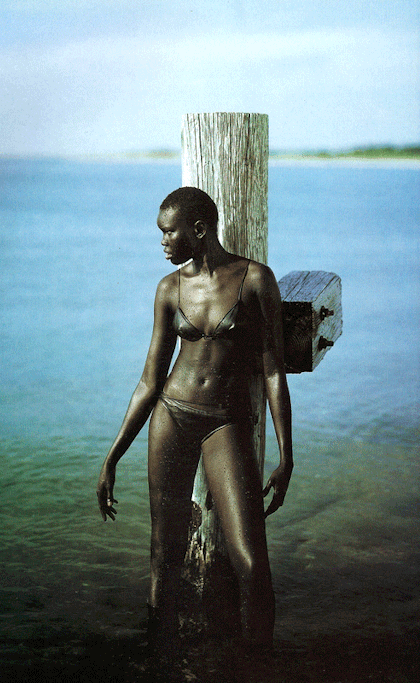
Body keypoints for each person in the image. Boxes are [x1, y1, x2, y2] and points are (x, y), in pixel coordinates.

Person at [97, 187, 293, 654]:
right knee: (163, 557)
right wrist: (112, 458)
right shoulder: (169, 289)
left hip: (225, 423)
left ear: (199, 230)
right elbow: (149, 382)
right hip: (172, 416)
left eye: (169, 232)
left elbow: (272, 372)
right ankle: (157, 657)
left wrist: (287, 456)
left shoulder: (255, 281)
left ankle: (258, 666)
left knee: (251, 563)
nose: (162, 242)